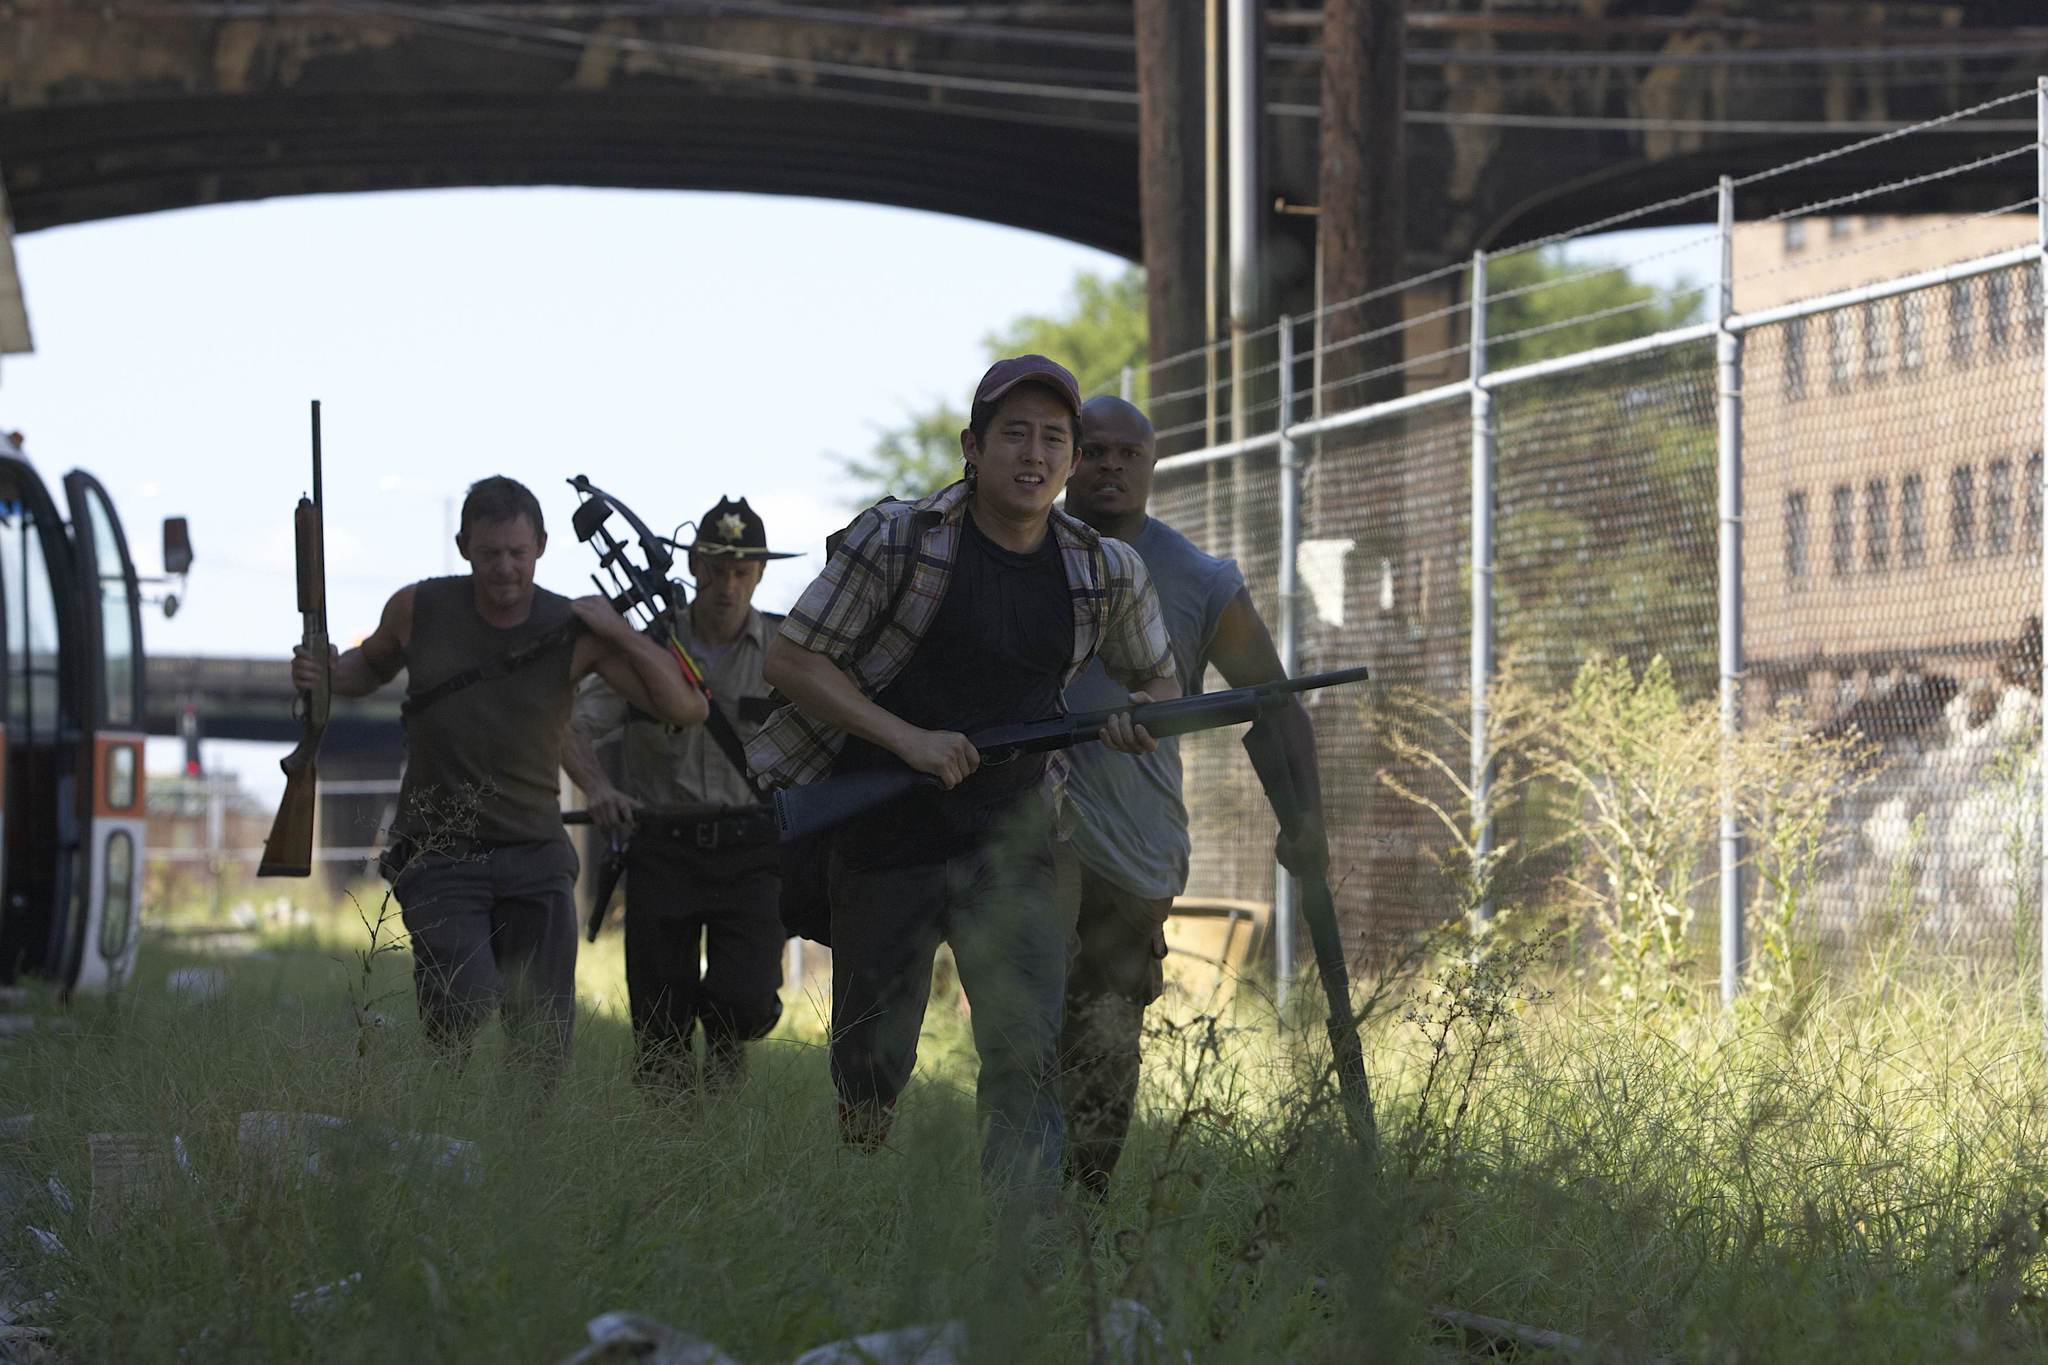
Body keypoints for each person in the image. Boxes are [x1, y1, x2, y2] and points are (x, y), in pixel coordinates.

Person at [749, 356, 1181, 1209]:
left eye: (1055, 438)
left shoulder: (1103, 568)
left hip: (1018, 842)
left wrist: (1142, 718)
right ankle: (860, 1206)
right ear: (971, 447)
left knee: (1026, 1054)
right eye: (1014, 433)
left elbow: (1160, 681)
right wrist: (904, 738)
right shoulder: (901, 540)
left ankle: (1023, 1248)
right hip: (889, 838)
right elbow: (791, 659)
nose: (1035, 453)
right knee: (872, 1062)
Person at [290, 475, 706, 1081]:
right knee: (462, 999)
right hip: (439, 852)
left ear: (540, 544)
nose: (505, 569)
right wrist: (322, 671)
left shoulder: (573, 626)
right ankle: (446, 1123)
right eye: (490, 554)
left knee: (540, 1037)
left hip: (534, 853)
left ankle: (522, 1151)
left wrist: (619, 631)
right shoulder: (419, 607)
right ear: (464, 547)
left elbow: (685, 707)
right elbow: (367, 668)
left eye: (517, 553)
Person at [1057, 395, 1331, 1199]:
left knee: (1103, 1053)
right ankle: (1015, 1238)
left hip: (1134, 854)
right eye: (1093, 450)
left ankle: (1082, 1228)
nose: (1109, 466)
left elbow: (1273, 699)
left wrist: (1303, 821)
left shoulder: (1199, 579)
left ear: (1151, 463)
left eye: (1126, 454)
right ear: (1068, 457)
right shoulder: (1018, 548)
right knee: (1024, 1044)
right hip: (1030, 839)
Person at [562, 496, 799, 1093]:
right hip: (663, 847)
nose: (727, 584)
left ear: (761, 573)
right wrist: (596, 784)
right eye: (715, 568)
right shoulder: (647, 651)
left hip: (752, 848)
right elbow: (570, 723)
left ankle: (723, 1083)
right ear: (694, 567)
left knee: (742, 1002)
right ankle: (674, 1150)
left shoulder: (786, 651)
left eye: (742, 570)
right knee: (660, 1029)